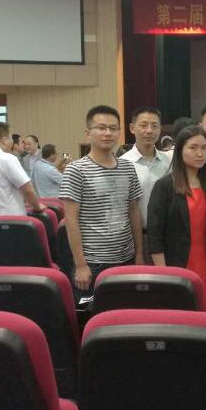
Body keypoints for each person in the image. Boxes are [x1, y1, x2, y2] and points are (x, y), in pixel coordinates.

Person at [59, 106, 144, 299]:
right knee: (92, 312)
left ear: (119, 132)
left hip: (127, 259)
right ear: (88, 133)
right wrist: (80, 264)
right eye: (101, 127)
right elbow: (71, 220)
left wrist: (139, 254)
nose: (108, 133)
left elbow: (133, 211)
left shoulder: (128, 167)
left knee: (125, 310)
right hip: (93, 263)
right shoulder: (76, 170)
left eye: (113, 128)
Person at [147, 125, 206, 300]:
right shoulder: (164, 186)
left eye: (204, 148)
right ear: (180, 150)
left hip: (205, 262)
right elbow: (155, 234)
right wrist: (163, 272)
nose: (200, 153)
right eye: (193, 148)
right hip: (174, 263)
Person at [120, 107, 172, 236]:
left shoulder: (169, 161)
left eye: (154, 126)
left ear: (160, 129)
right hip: (135, 235)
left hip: (168, 234)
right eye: (144, 125)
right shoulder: (122, 164)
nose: (149, 130)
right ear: (132, 128)